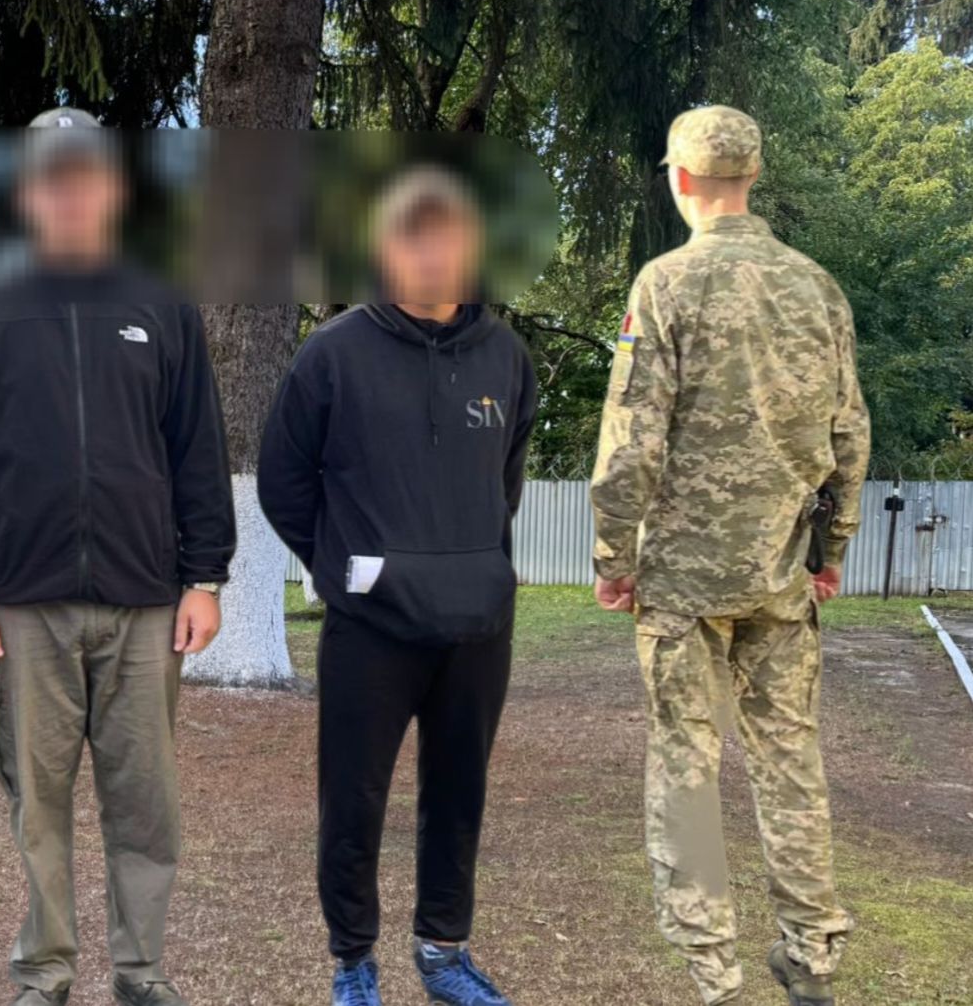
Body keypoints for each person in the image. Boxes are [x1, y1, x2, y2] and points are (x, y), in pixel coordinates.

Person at [0, 108, 236, 1006]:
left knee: (145, 804)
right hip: (24, 603)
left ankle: (141, 972)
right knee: (39, 800)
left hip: (147, 601)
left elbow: (198, 447)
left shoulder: (161, 302)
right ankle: (46, 972)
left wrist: (206, 576)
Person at [590, 106, 870, 1006]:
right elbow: (849, 433)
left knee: (688, 762)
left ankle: (715, 973)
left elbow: (633, 439)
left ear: (679, 180)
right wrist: (832, 547)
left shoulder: (666, 284)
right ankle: (811, 955)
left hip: (683, 579)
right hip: (782, 574)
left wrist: (613, 555)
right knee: (791, 762)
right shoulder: (818, 289)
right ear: (752, 177)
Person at [257, 166, 535, 1006]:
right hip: (370, 630)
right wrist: (351, 568)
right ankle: (354, 962)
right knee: (354, 803)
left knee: (458, 797)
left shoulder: (505, 356)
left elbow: (506, 483)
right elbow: (284, 482)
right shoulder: (332, 354)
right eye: (413, 235)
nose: (432, 252)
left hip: (477, 629)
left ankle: (444, 954)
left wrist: (472, 562)